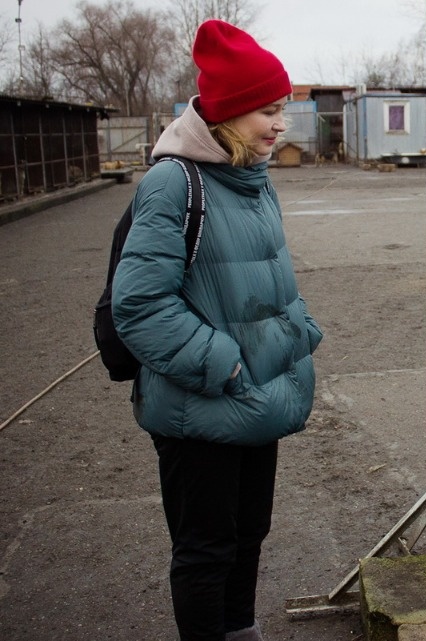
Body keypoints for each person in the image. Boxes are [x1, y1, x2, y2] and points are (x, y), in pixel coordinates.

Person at [111, 19, 323, 641]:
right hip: (199, 403)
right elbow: (140, 305)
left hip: (257, 393)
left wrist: (298, 331)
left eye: (283, 109)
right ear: (229, 112)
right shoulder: (173, 184)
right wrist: (224, 364)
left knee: (248, 533)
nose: (281, 125)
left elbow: (265, 278)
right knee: (206, 549)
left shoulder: (253, 178)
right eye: (268, 110)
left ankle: (240, 631)